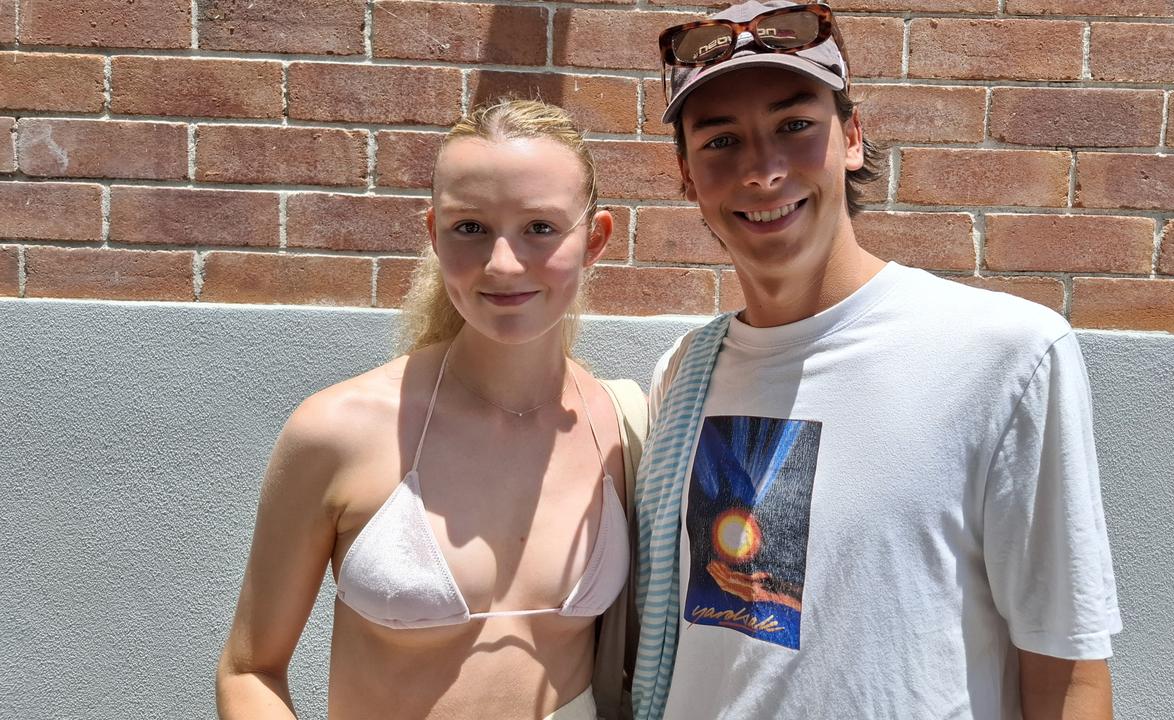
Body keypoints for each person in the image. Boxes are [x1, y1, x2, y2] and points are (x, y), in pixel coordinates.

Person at [630, 2, 1123, 718]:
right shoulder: (682, 374)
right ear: (685, 174)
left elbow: (1068, 671)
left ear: (852, 138)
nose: (762, 171)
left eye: (795, 127)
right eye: (720, 141)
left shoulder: (1004, 355)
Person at [215, 99, 645, 720]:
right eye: (469, 228)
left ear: (596, 239)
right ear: (433, 235)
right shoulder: (341, 431)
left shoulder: (622, 428)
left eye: (541, 228)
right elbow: (250, 668)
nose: (502, 263)